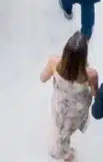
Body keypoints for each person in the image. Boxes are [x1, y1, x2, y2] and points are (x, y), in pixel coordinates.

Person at [40, 31, 99, 161]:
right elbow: (95, 93)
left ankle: (64, 153)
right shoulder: (90, 74)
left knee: (61, 132)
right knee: (68, 131)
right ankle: (65, 154)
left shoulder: (54, 63)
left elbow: (43, 78)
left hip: (60, 105)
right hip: (77, 111)